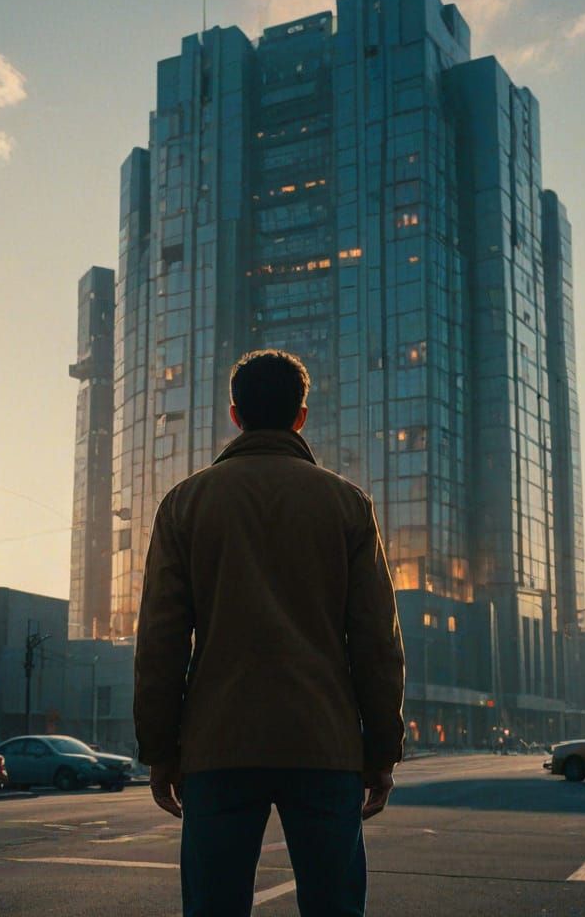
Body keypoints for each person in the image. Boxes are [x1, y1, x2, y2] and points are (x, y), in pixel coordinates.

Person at [134, 349, 405, 917]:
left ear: (235, 415)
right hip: (324, 744)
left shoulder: (184, 504)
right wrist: (381, 751)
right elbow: (377, 642)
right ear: (300, 416)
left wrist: (160, 751)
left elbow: (160, 640)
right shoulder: (348, 505)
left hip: (218, 744)